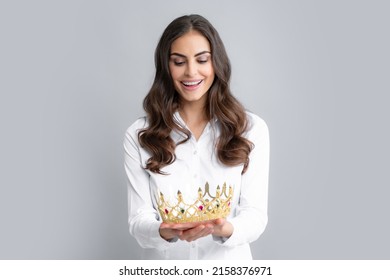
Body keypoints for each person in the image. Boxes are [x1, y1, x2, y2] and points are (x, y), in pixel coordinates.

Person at [123, 14, 269, 259]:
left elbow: (255, 214)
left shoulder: (250, 129)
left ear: (217, 63)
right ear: (166, 67)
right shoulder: (139, 135)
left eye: (202, 60)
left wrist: (226, 229)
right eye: (179, 62)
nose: (191, 72)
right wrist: (165, 231)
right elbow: (138, 220)